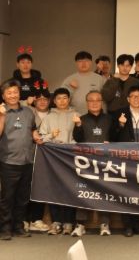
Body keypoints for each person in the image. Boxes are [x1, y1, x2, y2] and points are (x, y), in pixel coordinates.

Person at [0, 79, 42, 240]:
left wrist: (36, 136)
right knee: (7, 198)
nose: (13, 95)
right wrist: (2, 116)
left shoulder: (29, 112)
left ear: (19, 93)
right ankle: (5, 228)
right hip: (8, 161)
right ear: (3, 96)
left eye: (15, 92)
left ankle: (18, 227)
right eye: (9, 93)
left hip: (27, 160)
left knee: (23, 198)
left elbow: (32, 129)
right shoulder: (1, 111)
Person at [112, 87, 139, 237]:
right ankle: (127, 226)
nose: (136, 99)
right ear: (128, 99)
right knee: (125, 192)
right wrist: (120, 125)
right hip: (125, 159)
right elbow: (111, 136)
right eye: (133, 96)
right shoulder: (119, 113)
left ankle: (137, 224)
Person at [71, 90, 112, 237]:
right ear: (87, 103)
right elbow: (77, 139)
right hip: (86, 162)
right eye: (91, 100)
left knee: (104, 192)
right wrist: (78, 126)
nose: (94, 103)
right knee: (83, 191)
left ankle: (104, 224)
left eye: (97, 100)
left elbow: (116, 137)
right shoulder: (81, 119)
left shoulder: (109, 119)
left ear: (101, 102)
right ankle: (80, 224)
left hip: (105, 162)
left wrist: (111, 142)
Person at [39, 87, 78, 235]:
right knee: (54, 189)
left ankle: (69, 222)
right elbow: (41, 138)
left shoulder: (76, 115)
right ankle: (56, 221)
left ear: (69, 100)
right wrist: (51, 136)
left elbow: (80, 137)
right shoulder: (48, 117)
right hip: (53, 159)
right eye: (59, 98)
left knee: (70, 189)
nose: (62, 101)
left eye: (65, 98)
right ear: (54, 101)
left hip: (70, 158)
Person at [26, 86, 50, 233]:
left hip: (47, 158)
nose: (42, 101)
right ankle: (23, 219)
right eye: (39, 99)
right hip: (27, 155)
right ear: (34, 101)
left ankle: (36, 219)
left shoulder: (54, 114)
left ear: (50, 101)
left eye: (45, 99)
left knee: (40, 187)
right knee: (25, 187)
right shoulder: (27, 112)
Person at [61, 51, 106, 115]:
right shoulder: (69, 80)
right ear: (76, 63)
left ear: (91, 62)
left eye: (86, 61)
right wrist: (71, 88)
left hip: (96, 116)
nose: (83, 64)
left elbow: (105, 100)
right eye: (80, 61)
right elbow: (62, 100)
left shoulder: (100, 79)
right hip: (75, 115)